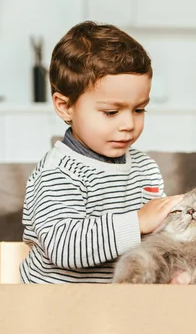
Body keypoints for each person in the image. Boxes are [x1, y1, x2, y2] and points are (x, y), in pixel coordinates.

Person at [20, 21, 181, 284]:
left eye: (139, 109)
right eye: (111, 112)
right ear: (64, 106)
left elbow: (157, 233)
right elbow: (63, 247)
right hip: (58, 307)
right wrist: (138, 222)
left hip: (115, 306)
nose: (128, 124)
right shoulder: (59, 172)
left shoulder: (145, 168)